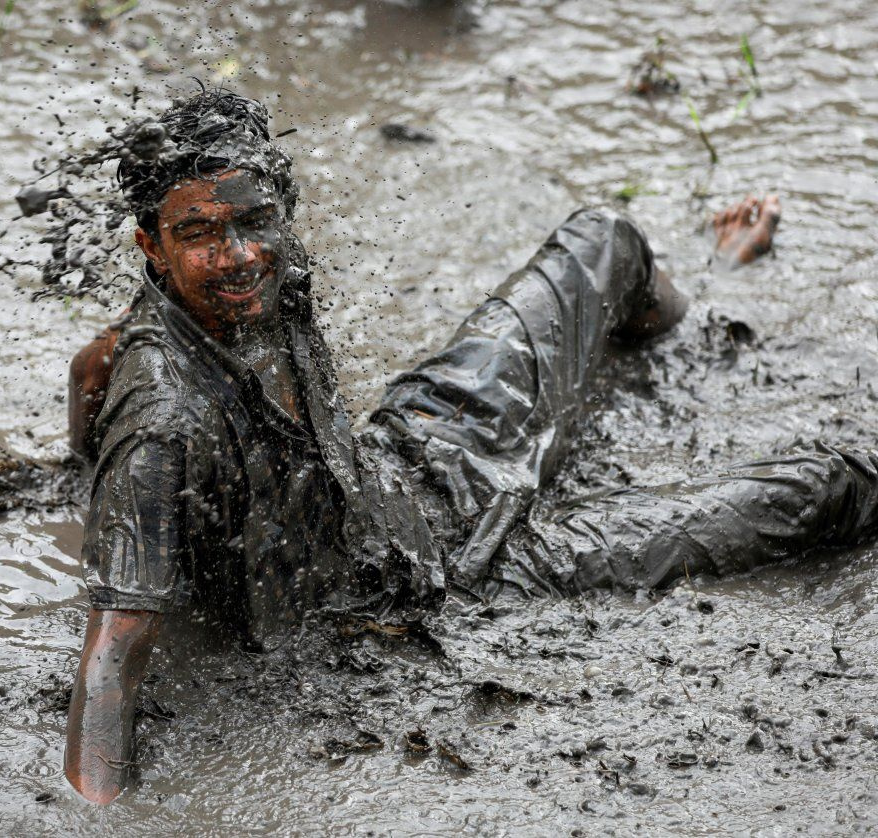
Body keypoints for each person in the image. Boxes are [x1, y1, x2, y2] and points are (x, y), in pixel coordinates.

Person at [61, 90, 878, 804]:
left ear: (280, 208)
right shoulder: (162, 429)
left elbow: (94, 361)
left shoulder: (252, 266)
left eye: (253, 221)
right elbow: (111, 659)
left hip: (415, 463)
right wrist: (97, 813)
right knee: (829, 486)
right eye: (201, 233)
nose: (238, 255)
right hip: (441, 579)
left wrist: (73, 472)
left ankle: (721, 287)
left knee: (608, 238)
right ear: (152, 247)